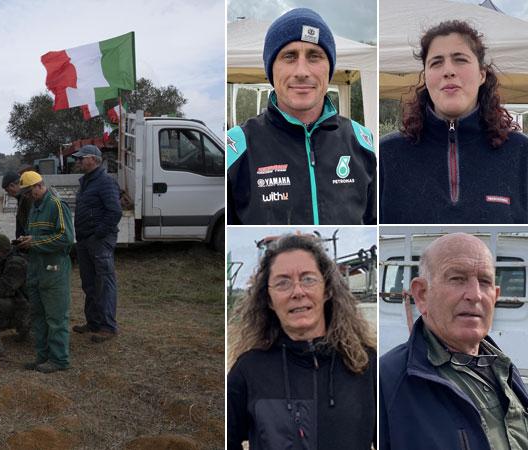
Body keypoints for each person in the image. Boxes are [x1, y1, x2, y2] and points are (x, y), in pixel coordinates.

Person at [226, 8, 376, 225]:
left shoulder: (361, 141)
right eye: (289, 56)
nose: (302, 71)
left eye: (314, 56)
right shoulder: (238, 147)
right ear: (271, 68)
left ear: (329, 68)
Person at [227, 234, 376, 449]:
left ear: (328, 290)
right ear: (269, 300)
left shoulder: (365, 365)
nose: (297, 292)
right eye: (282, 283)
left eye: (308, 279)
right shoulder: (249, 370)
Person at [380, 233, 528, 449]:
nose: (475, 295)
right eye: (457, 279)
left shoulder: (504, 368)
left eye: (485, 282)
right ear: (421, 294)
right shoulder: (388, 381)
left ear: (495, 296)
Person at [380, 21, 528, 223]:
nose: (448, 71)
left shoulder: (520, 153)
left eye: (460, 60)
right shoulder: (387, 155)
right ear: (426, 76)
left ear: (482, 74)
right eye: (436, 62)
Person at [16, 171, 74, 373]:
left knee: (56, 317)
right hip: (35, 270)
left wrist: (36, 242)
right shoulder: (34, 209)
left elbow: (66, 238)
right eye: (26, 194)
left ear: (39, 186)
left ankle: (59, 360)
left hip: (54, 270)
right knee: (38, 316)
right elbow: (35, 237)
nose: (28, 197)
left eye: (30, 192)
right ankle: (42, 357)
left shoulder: (57, 205)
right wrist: (26, 241)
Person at [70, 145, 122, 343]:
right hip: (85, 240)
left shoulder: (105, 182)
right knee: (89, 283)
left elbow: (114, 212)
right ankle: (93, 322)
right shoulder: (86, 182)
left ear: (93, 159)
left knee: (105, 283)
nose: (78, 161)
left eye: (81, 158)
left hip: (98, 240)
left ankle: (108, 327)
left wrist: (98, 234)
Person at [1, 170, 33, 239]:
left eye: (7, 190)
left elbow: (30, 224)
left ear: (12, 185)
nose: (9, 194)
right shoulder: (21, 197)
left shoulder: (27, 198)